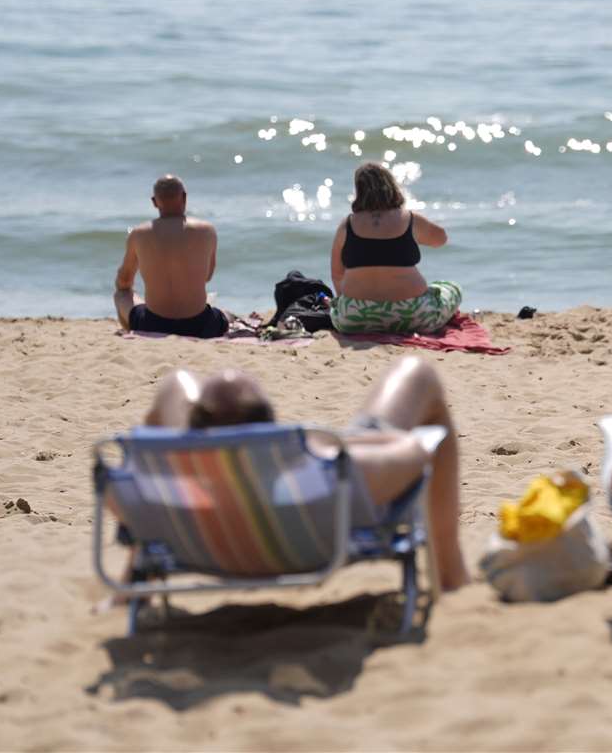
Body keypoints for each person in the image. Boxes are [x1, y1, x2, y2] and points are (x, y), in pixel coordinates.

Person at [133, 357, 469, 591]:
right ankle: (450, 569)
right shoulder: (338, 474)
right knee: (416, 372)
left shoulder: (167, 495)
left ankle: (133, 583)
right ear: (270, 427)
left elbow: (129, 508)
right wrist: (328, 445)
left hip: (204, 520)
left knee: (177, 382)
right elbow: (417, 451)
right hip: (310, 517)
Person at [329, 162, 460, 335]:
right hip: (413, 314)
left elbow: (337, 274)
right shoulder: (409, 219)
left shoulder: (347, 225)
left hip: (354, 318)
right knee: (451, 288)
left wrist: (347, 302)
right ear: (391, 186)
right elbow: (440, 239)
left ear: (358, 191)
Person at [113, 174, 229, 338]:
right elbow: (207, 277)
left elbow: (124, 282)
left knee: (121, 294)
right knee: (221, 314)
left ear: (154, 202)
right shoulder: (207, 230)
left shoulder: (139, 233)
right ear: (184, 197)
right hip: (200, 324)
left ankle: (131, 332)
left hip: (153, 324)